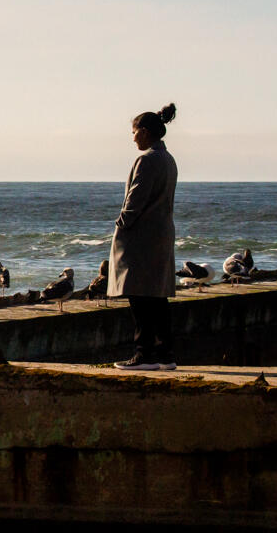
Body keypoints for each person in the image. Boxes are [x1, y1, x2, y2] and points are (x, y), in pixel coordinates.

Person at [109, 103, 178, 370]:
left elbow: (136, 198)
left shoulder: (146, 159)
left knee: (139, 296)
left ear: (146, 132)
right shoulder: (168, 159)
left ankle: (144, 354)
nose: (133, 137)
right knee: (157, 296)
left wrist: (122, 222)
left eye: (135, 132)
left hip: (142, 236)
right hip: (161, 233)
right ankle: (165, 354)